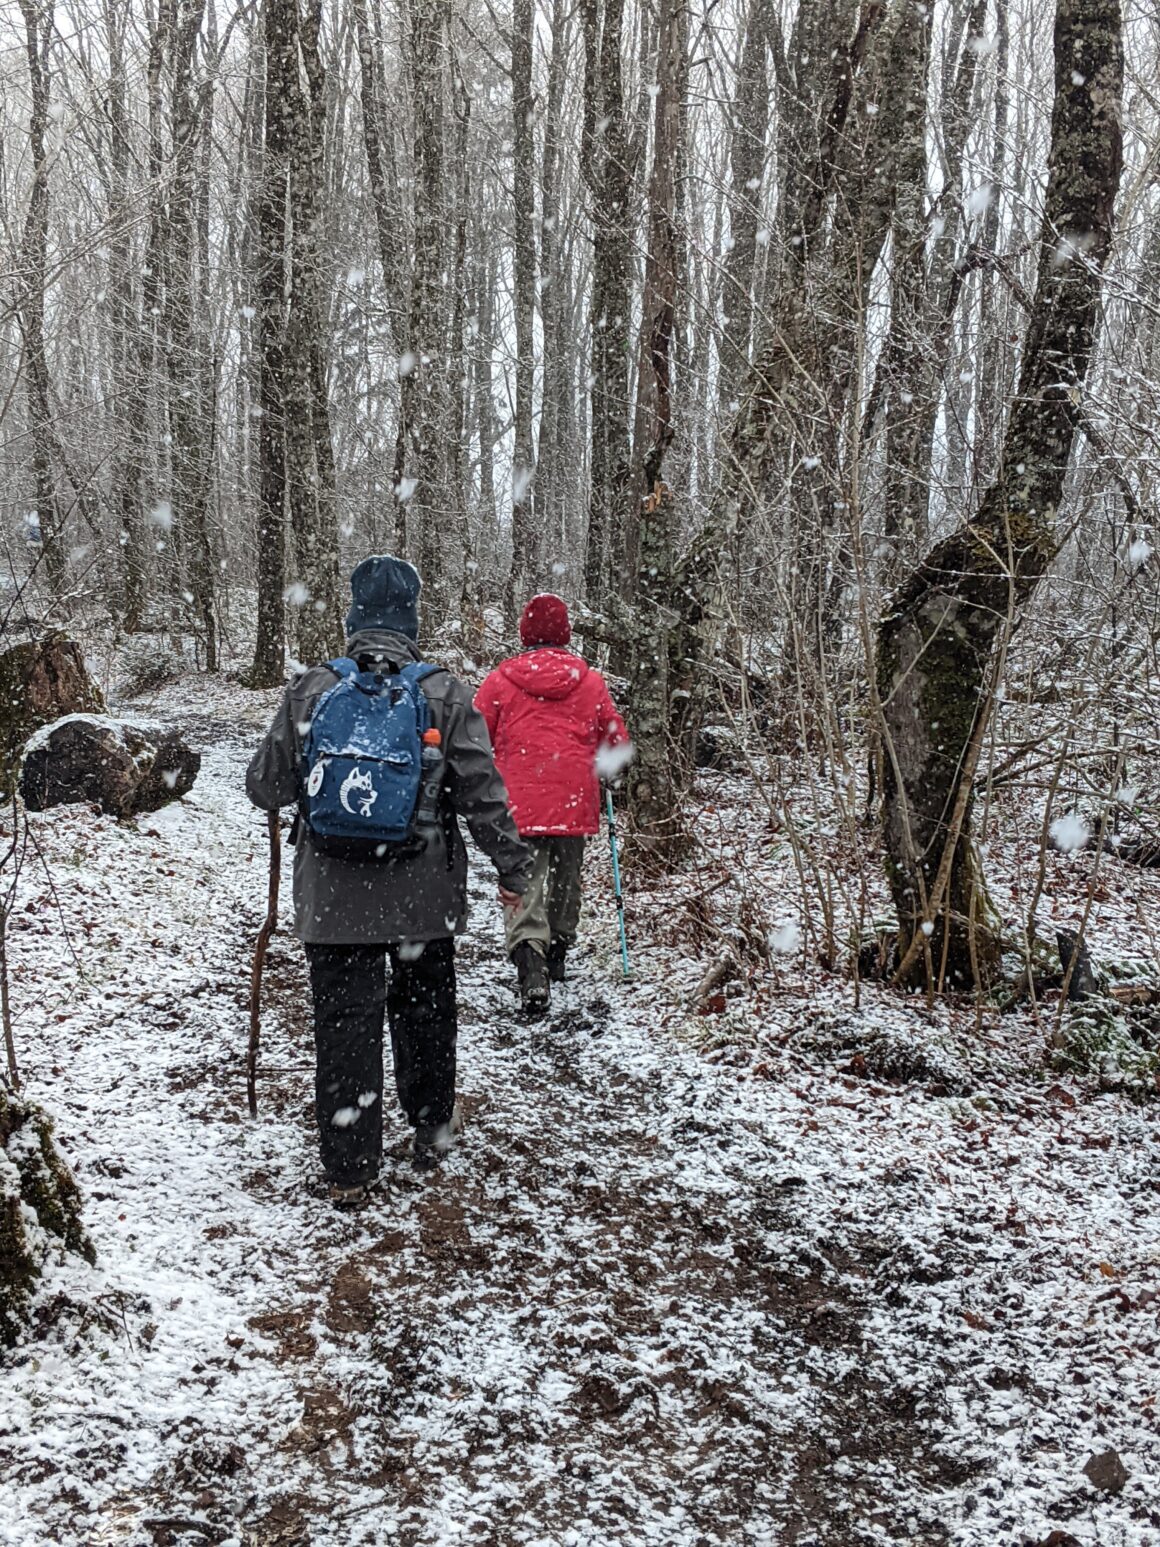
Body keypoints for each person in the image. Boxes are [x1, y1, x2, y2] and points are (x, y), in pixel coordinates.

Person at [246, 555, 532, 1202]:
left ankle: (349, 1170)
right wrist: (512, 869)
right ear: (412, 619)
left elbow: (264, 785)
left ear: (353, 616)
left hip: (333, 897)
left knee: (346, 1023)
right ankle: (431, 1129)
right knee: (425, 1012)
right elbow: (484, 796)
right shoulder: (444, 693)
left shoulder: (313, 689)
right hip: (423, 896)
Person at [475, 593, 630, 1014]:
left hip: (518, 803)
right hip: (573, 800)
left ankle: (531, 962)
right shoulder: (591, 681)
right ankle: (558, 949)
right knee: (566, 880)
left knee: (525, 880)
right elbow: (616, 742)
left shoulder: (500, 681)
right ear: (565, 634)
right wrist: (610, 771)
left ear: (525, 633)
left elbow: (474, 738)